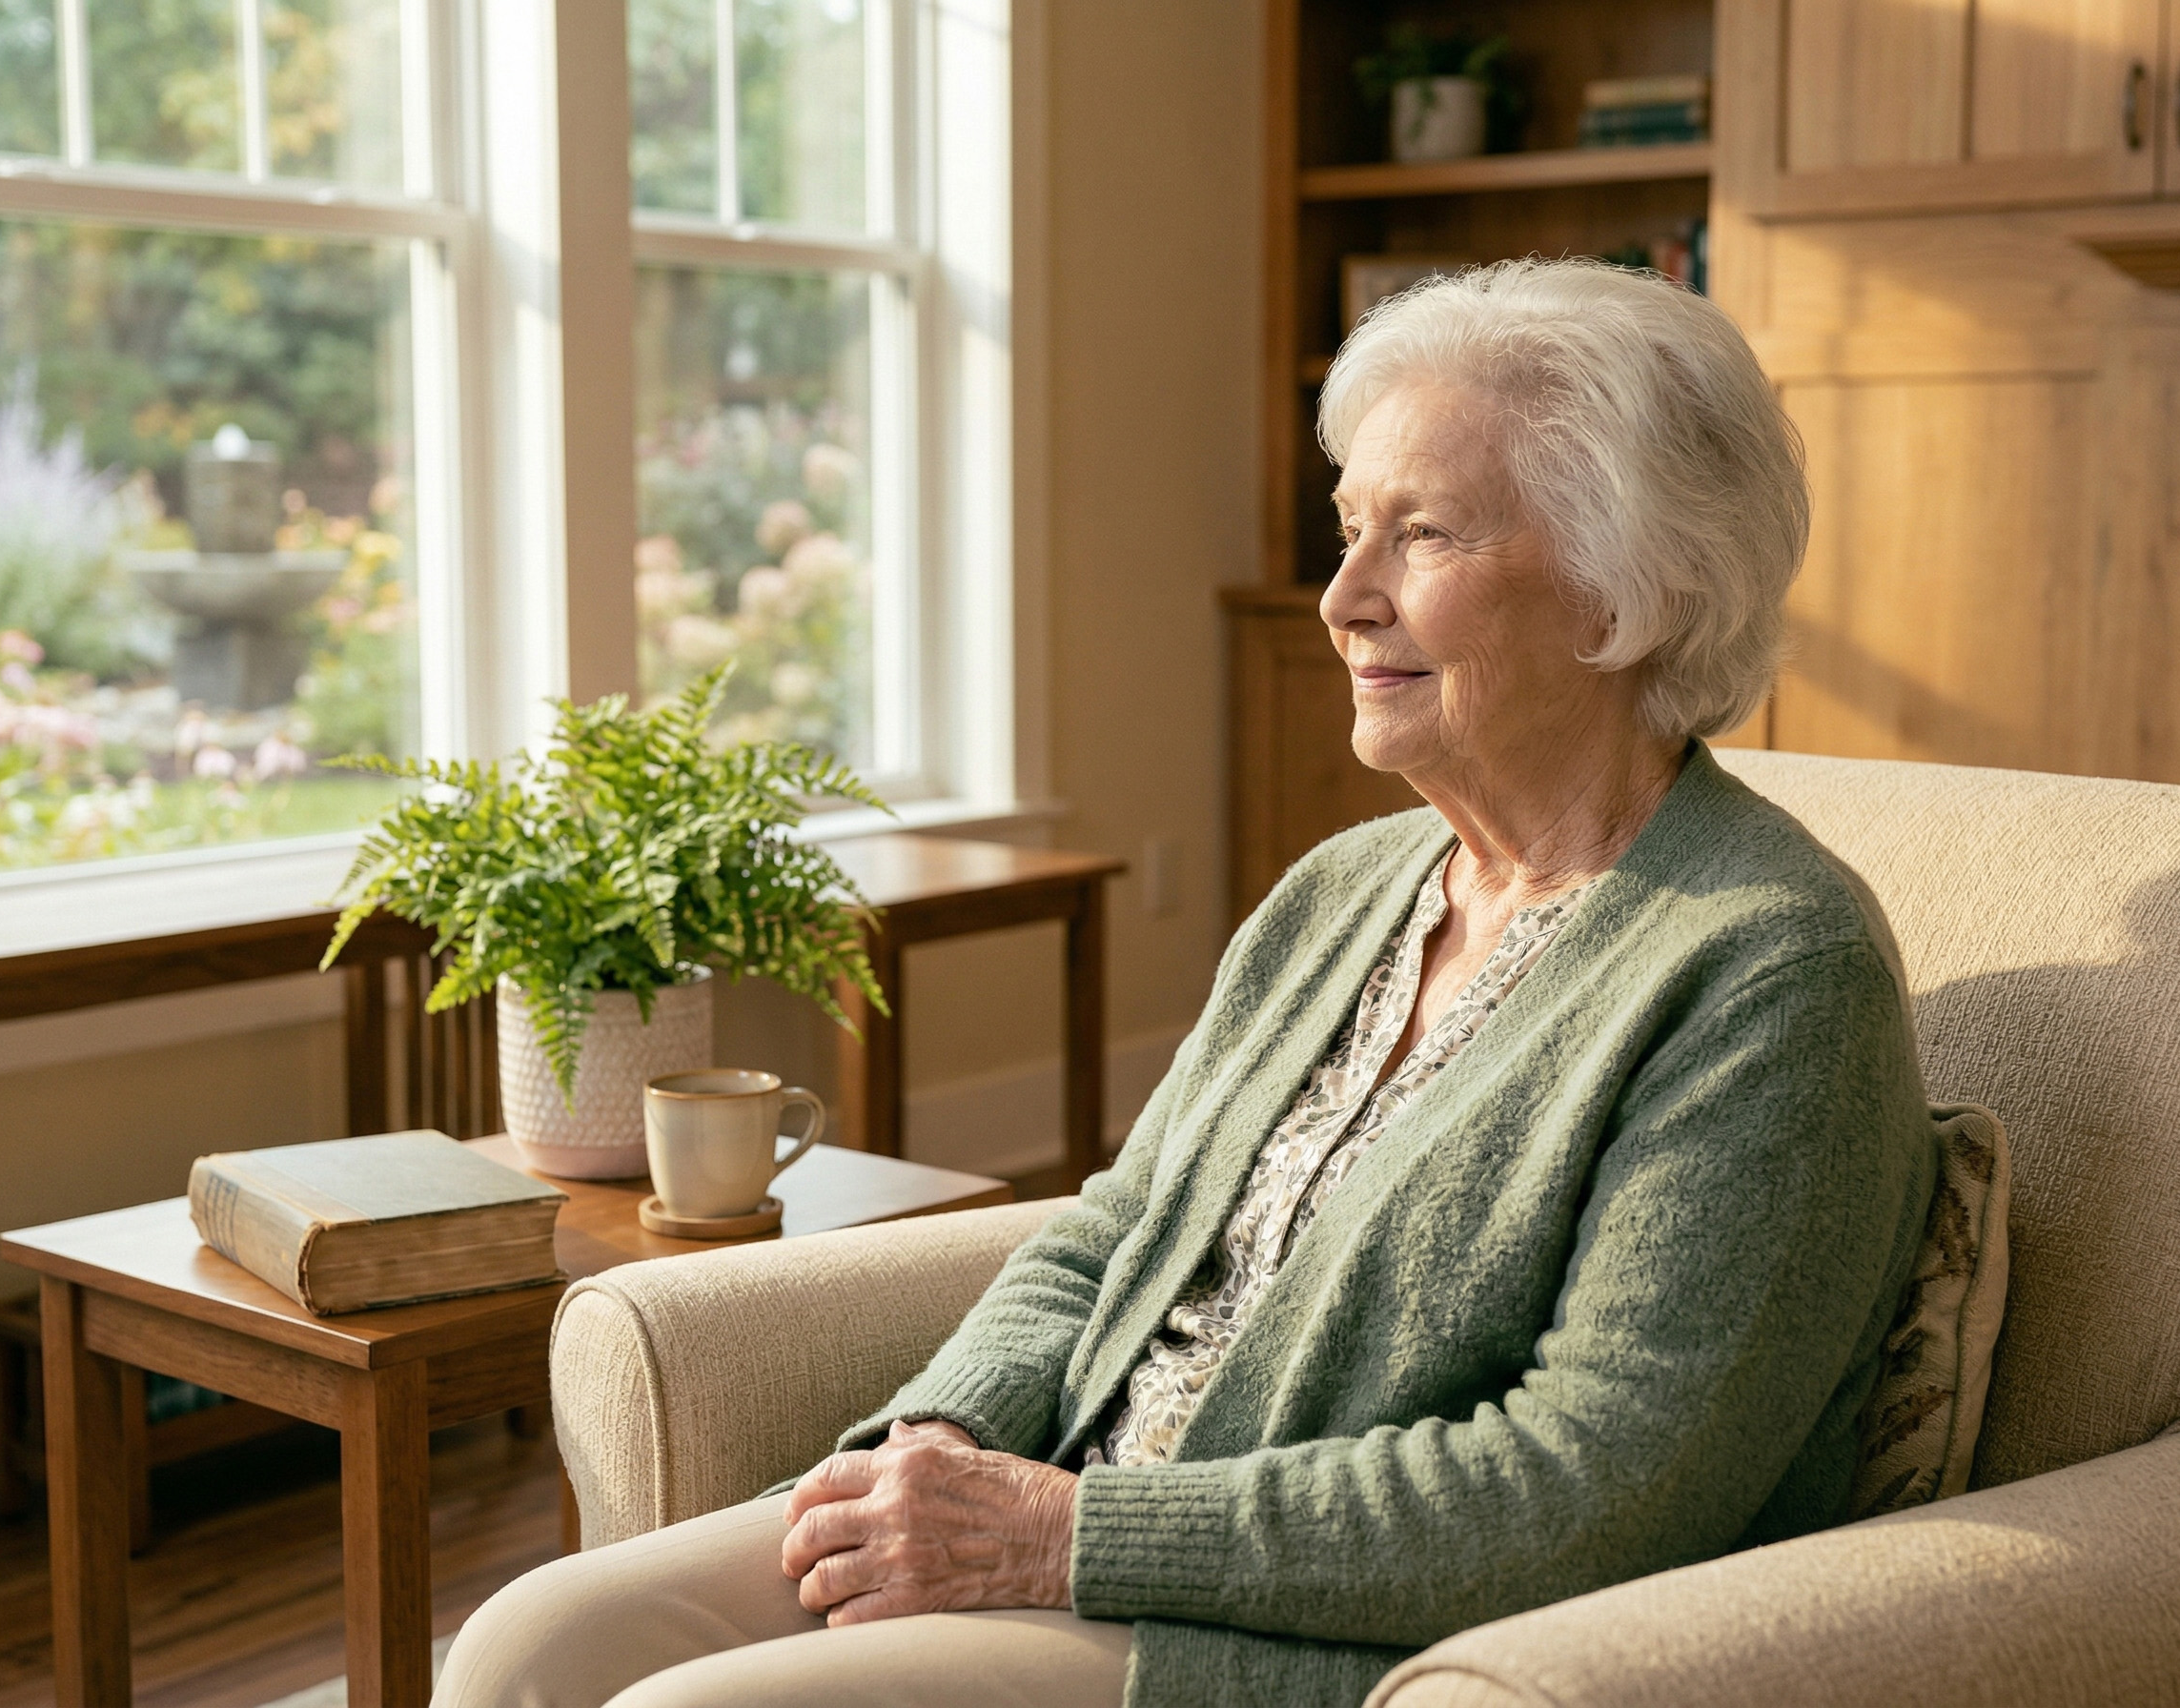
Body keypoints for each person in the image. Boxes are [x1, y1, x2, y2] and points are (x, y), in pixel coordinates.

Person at [435, 258, 1941, 1708]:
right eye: (1350, 527)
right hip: (1073, 1516)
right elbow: (1116, 1232)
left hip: (1281, 1624)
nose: (1344, 597)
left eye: (1423, 536)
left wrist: (1056, 1538)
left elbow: (1594, 1488)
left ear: (1631, 593)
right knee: (530, 1646)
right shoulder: (1341, 896)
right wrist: (944, 1448)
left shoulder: (1766, 970)